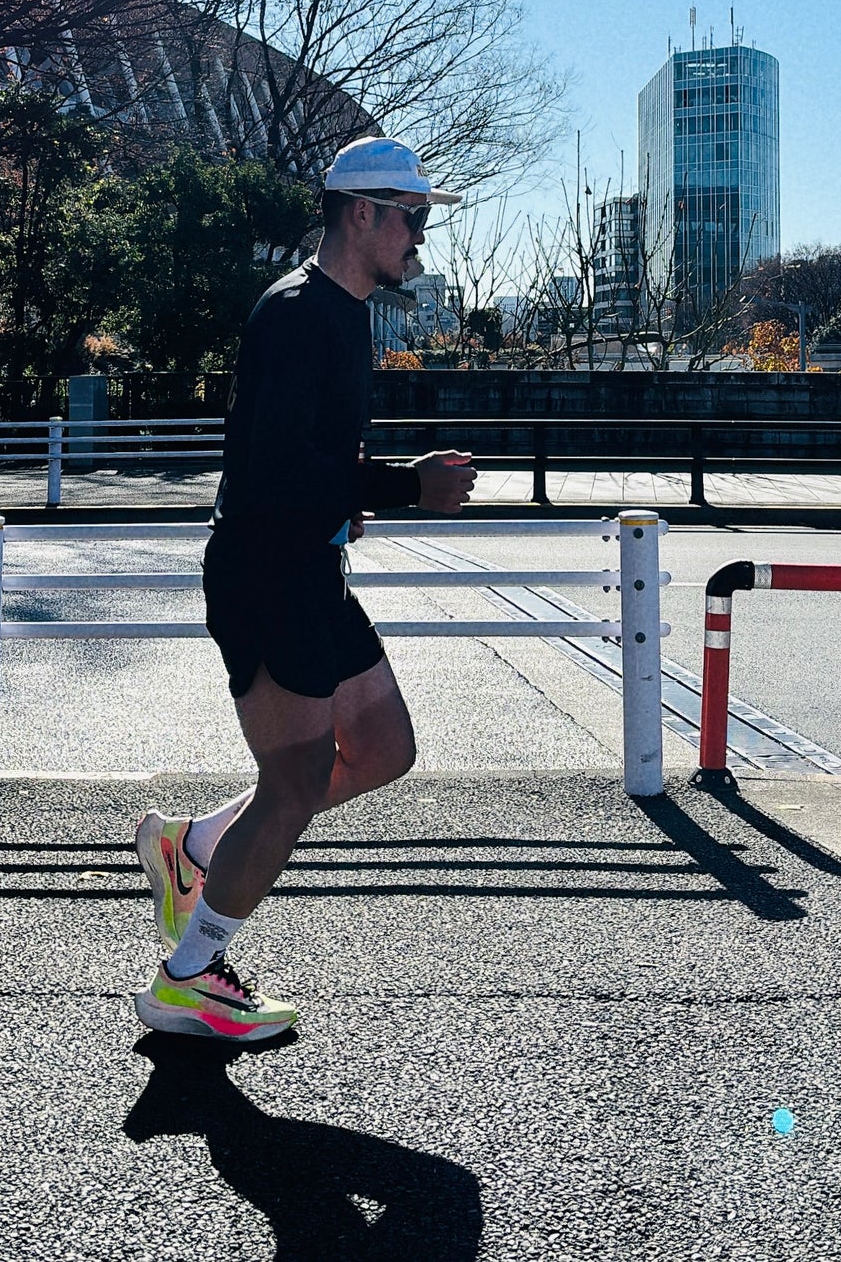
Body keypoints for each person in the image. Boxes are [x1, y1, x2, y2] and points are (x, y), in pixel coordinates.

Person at [132, 136, 476, 1039]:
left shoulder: (345, 311)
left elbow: (315, 460)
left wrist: (368, 490)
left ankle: (196, 845)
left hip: (308, 568)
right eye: (413, 218)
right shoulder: (294, 315)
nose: (420, 239)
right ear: (362, 212)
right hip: (267, 573)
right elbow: (272, 470)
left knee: (383, 745)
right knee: (288, 790)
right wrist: (409, 486)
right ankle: (188, 973)